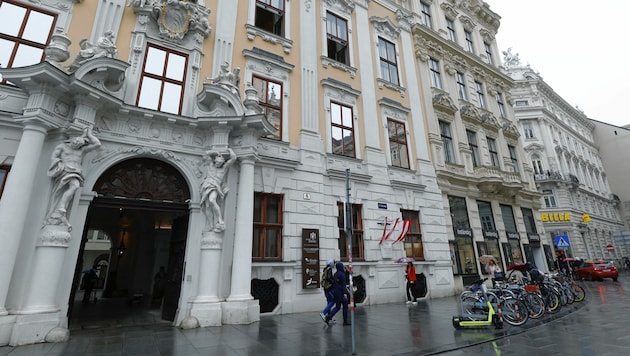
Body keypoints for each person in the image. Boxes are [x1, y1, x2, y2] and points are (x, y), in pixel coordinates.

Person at [46, 127, 101, 225]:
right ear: (71, 141)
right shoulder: (62, 146)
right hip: (64, 170)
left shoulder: (81, 150)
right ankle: (57, 210)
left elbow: (97, 144)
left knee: (75, 186)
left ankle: (61, 207)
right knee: (59, 191)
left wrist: (89, 135)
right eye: (75, 143)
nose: (76, 145)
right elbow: (54, 157)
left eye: (79, 145)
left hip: (76, 171)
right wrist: (59, 164)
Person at [200, 148, 236, 232]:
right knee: (207, 206)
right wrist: (215, 152)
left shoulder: (223, 169)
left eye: (220, 163)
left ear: (222, 163)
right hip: (206, 185)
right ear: (215, 161)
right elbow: (205, 153)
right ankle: (210, 224)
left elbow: (233, 158)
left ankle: (220, 219)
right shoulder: (210, 166)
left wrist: (230, 150)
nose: (218, 164)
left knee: (212, 200)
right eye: (217, 162)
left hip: (215, 186)